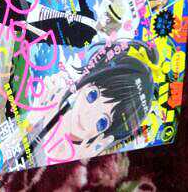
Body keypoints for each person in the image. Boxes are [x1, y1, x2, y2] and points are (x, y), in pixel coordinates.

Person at [23, 41, 158, 163]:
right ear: (85, 83)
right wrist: (31, 119)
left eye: (102, 122)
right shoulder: (51, 102)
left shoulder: (81, 155)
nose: (88, 115)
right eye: (92, 95)